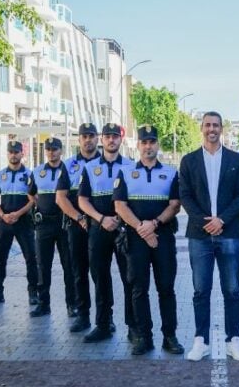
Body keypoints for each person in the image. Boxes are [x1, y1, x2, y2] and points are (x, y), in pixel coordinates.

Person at [179, 111, 239, 361]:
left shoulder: (236, 159)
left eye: (216, 125)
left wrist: (222, 220)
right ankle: (201, 340)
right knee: (201, 290)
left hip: (229, 233)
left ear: (222, 128)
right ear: (202, 128)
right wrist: (204, 222)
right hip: (199, 235)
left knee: (232, 289)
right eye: (208, 124)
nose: (212, 129)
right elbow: (185, 195)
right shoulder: (188, 160)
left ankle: (234, 339)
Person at [114, 125, 184, 355]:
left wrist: (153, 225)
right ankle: (144, 337)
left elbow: (175, 204)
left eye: (152, 142)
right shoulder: (125, 172)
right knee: (138, 289)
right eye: (144, 142)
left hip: (162, 236)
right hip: (135, 238)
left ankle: (170, 336)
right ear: (138, 145)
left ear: (158, 144)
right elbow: (120, 205)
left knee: (166, 288)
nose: (148, 146)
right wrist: (141, 228)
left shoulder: (172, 172)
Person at [78, 123, 136, 343]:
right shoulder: (91, 168)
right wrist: (101, 218)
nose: (111, 140)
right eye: (107, 136)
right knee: (100, 278)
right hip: (98, 229)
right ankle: (103, 324)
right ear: (102, 140)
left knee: (129, 279)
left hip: (124, 230)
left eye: (115, 136)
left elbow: (134, 200)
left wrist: (120, 220)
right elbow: (82, 200)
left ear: (121, 140)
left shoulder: (131, 166)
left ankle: (133, 326)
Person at [56, 123, 100, 333]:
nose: (88, 140)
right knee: (79, 272)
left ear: (97, 138)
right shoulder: (69, 164)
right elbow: (61, 198)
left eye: (91, 136)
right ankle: (83, 315)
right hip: (76, 226)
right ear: (79, 139)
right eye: (84, 136)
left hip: (101, 227)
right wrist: (79, 217)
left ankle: (104, 319)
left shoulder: (105, 161)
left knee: (101, 275)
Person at [28, 137, 77, 318]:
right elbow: (31, 194)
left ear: (61, 151)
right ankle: (43, 304)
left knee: (69, 266)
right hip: (44, 225)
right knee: (43, 265)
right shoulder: (38, 171)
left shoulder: (69, 170)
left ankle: (72, 304)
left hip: (64, 223)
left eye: (55, 149)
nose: (51, 152)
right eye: (48, 149)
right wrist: (38, 206)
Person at [0, 140, 38, 307]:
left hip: (24, 222)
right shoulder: (0, 175)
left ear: (22, 154)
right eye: (11, 152)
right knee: (0, 259)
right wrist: (3, 215)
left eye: (17, 152)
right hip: (4, 222)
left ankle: (33, 293)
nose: (14, 155)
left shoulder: (30, 175)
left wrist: (18, 213)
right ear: (7, 154)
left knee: (31, 258)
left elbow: (33, 201)